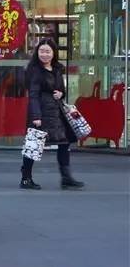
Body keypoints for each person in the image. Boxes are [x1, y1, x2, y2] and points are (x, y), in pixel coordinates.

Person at [20, 38, 84, 190]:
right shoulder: (35, 71)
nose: (45, 55)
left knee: (64, 142)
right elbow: (33, 95)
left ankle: (66, 177)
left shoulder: (56, 69)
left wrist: (61, 94)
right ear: (37, 52)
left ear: (54, 53)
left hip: (57, 112)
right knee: (34, 144)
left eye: (48, 51)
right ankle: (26, 178)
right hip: (41, 112)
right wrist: (36, 116)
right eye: (41, 51)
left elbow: (62, 89)